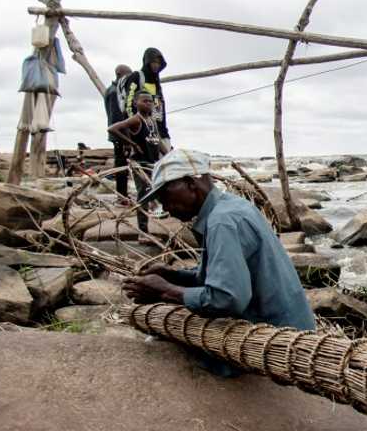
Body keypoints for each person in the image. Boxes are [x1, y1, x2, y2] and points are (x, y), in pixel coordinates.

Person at [122, 149, 315, 335]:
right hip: (293, 324)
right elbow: (222, 277)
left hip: (280, 336)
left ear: (190, 184)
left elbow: (227, 298)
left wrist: (166, 291)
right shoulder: (232, 205)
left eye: (165, 196)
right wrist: (173, 275)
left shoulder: (221, 222)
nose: (165, 207)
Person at [107, 92, 168, 235]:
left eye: (150, 101)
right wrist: (132, 144)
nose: (148, 103)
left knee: (159, 189)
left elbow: (157, 140)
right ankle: (143, 231)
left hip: (152, 162)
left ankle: (158, 212)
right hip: (139, 163)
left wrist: (169, 155)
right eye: (144, 101)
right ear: (136, 103)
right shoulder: (135, 120)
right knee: (144, 194)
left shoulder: (152, 120)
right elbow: (112, 129)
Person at [121, 47, 171, 151]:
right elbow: (129, 104)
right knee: (147, 161)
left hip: (158, 129)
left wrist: (162, 129)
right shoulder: (136, 77)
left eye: (158, 63)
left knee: (164, 158)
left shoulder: (156, 82)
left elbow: (159, 109)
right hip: (142, 130)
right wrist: (135, 126)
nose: (156, 65)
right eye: (153, 62)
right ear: (147, 61)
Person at [103, 64, 132, 202]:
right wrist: (126, 140)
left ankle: (123, 196)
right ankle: (122, 197)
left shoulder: (115, 90)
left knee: (122, 167)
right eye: (127, 76)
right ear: (119, 74)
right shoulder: (114, 92)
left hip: (119, 135)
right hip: (120, 135)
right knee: (121, 167)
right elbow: (117, 118)